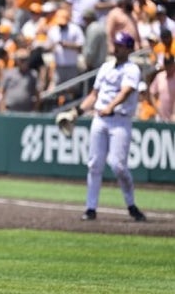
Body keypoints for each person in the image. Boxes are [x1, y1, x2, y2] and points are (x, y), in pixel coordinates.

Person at [71, 31, 147, 222]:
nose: (116, 48)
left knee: (118, 165)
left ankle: (131, 204)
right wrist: (77, 112)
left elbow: (126, 92)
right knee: (94, 164)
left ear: (129, 49)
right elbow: (94, 94)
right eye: (116, 44)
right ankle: (90, 208)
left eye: (121, 45)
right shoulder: (106, 67)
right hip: (100, 119)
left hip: (120, 120)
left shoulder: (132, 69)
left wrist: (109, 107)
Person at [149, 53, 175, 121]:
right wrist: (157, 108)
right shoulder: (160, 76)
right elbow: (152, 92)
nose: (168, 67)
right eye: (167, 65)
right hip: (161, 115)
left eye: (170, 65)